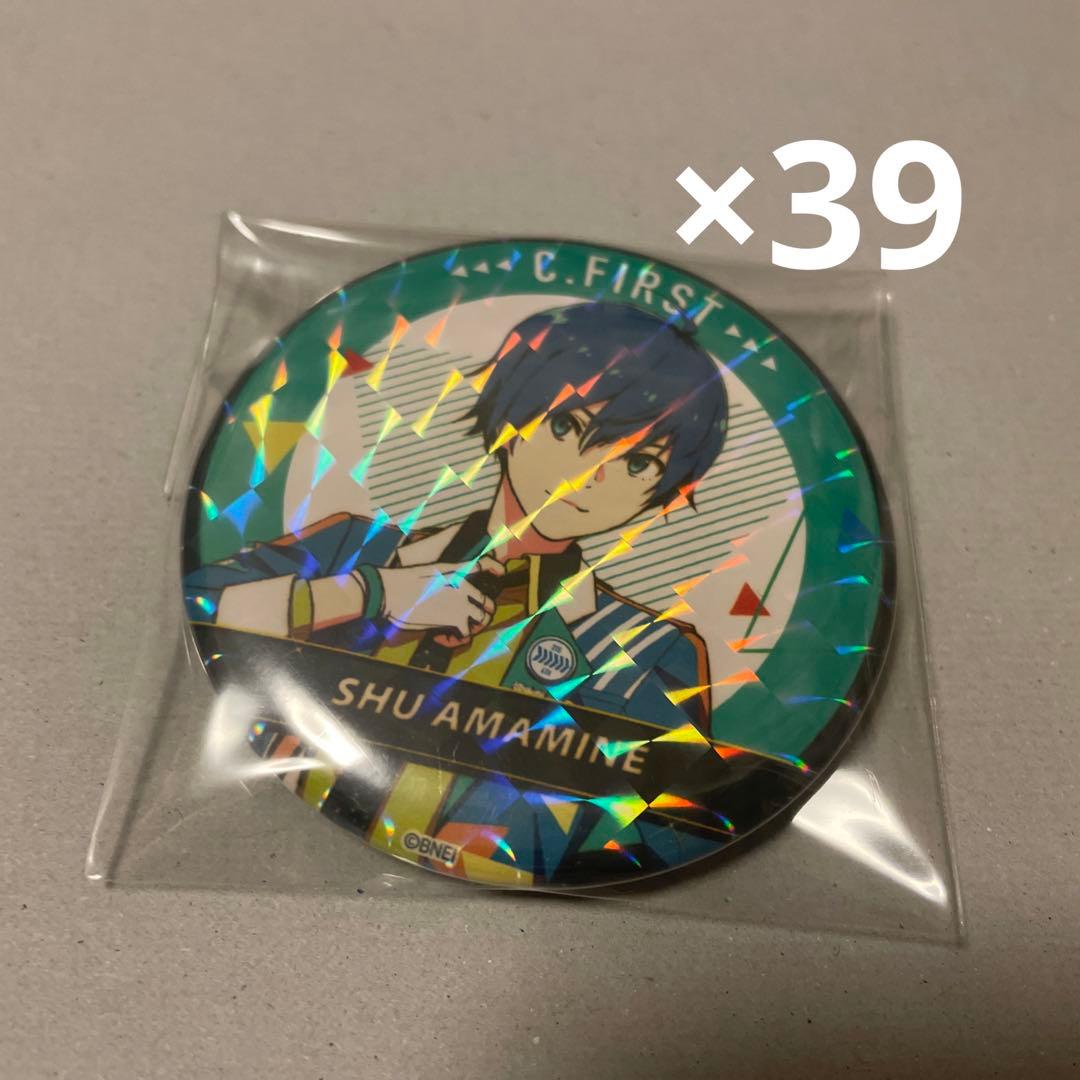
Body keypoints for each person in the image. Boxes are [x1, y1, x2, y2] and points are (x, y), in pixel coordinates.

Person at [184, 301, 729, 730]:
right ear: (511, 418)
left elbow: (669, 811)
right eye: (566, 427)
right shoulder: (351, 548)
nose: (589, 476)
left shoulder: (650, 649)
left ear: (665, 491)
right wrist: (371, 593)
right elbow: (198, 609)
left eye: (637, 463)